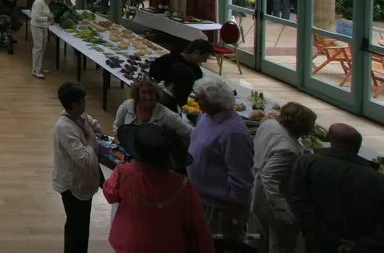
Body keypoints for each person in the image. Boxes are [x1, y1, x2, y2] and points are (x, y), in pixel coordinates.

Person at [103, 123, 214, 253]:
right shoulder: (183, 184)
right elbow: (198, 226)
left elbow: (110, 195)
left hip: (130, 244)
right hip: (169, 246)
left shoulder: (123, 172)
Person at [289, 124, 384, 253]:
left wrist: (329, 237)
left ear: (329, 140)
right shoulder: (375, 178)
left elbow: (298, 203)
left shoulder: (306, 163)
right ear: (357, 146)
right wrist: (360, 245)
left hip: (318, 240)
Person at [187, 76, 254, 250]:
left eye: (200, 97)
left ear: (216, 101)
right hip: (199, 199)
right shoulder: (206, 116)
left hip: (218, 209)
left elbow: (241, 179)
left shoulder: (234, 133)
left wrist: (233, 217)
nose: (195, 100)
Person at [251, 102, 317, 253]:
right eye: (311, 124)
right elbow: (269, 178)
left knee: (258, 239)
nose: (313, 127)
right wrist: (285, 215)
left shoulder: (268, 125)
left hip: (256, 193)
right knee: (279, 244)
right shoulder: (288, 149)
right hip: (270, 203)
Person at [52, 82, 103, 253]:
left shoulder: (78, 115)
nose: (85, 104)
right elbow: (85, 159)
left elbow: (90, 122)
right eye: (83, 101)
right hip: (73, 185)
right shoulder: (64, 127)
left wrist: (96, 129)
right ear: (73, 104)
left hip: (83, 179)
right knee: (77, 227)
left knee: (79, 224)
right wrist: (92, 141)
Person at [113, 79, 192, 172]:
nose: (148, 96)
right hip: (128, 156)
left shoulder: (166, 115)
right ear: (137, 94)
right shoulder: (127, 106)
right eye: (144, 92)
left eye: (152, 93)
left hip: (155, 163)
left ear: (156, 95)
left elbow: (189, 132)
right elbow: (117, 128)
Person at [149, 39, 214, 85]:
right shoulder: (167, 60)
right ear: (196, 53)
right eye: (204, 57)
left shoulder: (196, 70)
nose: (205, 61)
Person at [30, 0, 57, 79]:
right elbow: (35, 17)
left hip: (44, 27)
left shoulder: (45, 3)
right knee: (38, 48)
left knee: (43, 48)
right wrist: (48, 18)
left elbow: (45, 13)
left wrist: (50, 16)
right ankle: (35, 70)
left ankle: (40, 67)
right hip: (37, 27)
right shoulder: (39, 3)